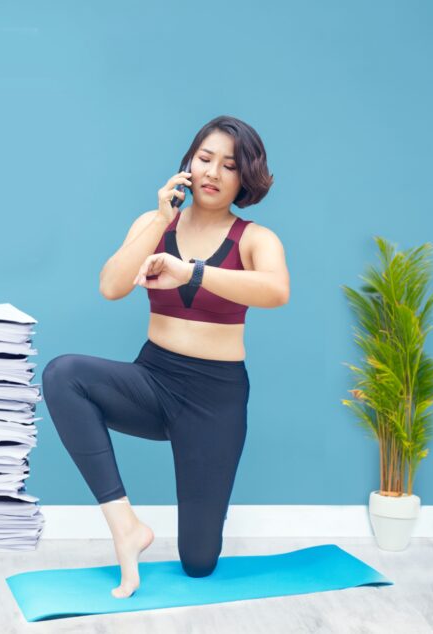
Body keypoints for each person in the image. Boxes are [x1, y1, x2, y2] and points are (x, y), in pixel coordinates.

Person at [42, 115, 290, 599]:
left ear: (245, 178)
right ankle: (126, 529)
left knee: (199, 563)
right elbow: (111, 286)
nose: (213, 173)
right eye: (204, 159)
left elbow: (276, 291)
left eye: (229, 165)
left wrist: (190, 272)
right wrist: (159, 218)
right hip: (153, 381)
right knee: (62, 375)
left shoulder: (256, 238)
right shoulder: (155, 225)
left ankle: (194, 534)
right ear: (188, 164)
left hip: (215, 400)